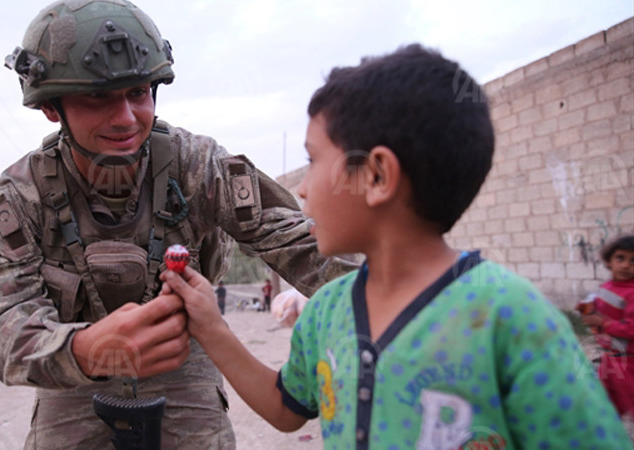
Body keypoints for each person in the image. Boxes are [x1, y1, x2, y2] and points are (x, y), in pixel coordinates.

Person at [162, 44, 632, 448]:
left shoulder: (513, 319)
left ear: (376, 175)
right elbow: (287, 408)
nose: (301, 190)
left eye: (313, 160)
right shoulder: (326, 311)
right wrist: (212, 326)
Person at [0, 1, 356, 448]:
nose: (126, 118)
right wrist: (87, 349)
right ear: (51, 109)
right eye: (98, 97)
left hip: (181, 358)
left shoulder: (197, 165)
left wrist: (403, 298)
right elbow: (0, 328)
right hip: (73, 370)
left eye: (138, 92)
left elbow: (304, 244)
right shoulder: (22, 195)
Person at [580, 234, 634, 421]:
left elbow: (631, 329)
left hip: (628, 363)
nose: (626, 265)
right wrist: (588, 309)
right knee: (606, 405)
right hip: (609, 357)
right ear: (609, 261)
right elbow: (602, 307)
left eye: (633, 261)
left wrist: (602, 323)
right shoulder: (607, 286)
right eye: (620, 258)